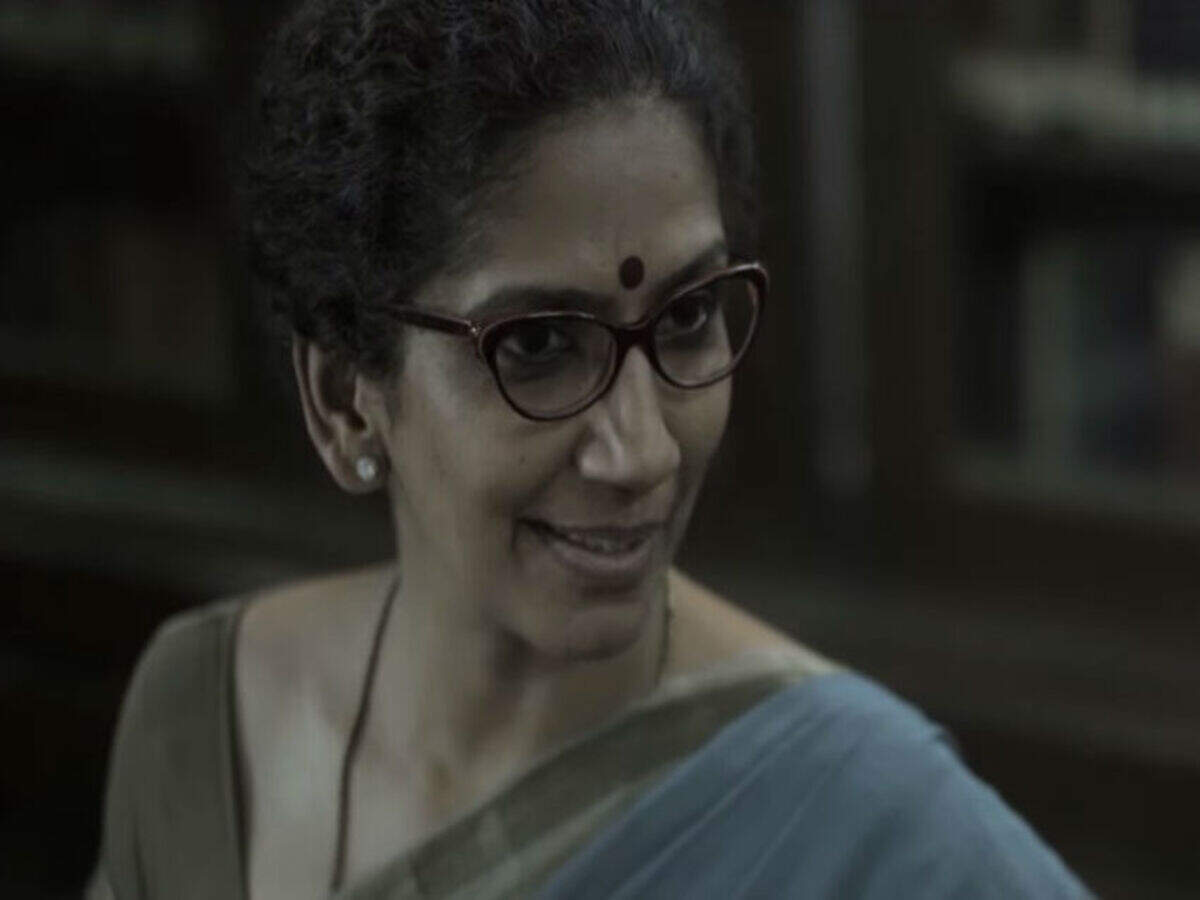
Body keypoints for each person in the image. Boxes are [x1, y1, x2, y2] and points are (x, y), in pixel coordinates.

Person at [88, 1, 1093, 897]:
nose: (643, 453)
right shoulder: (205, 724)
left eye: (688, 318)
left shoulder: (871, 827)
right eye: (536, 345)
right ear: (347, 400)